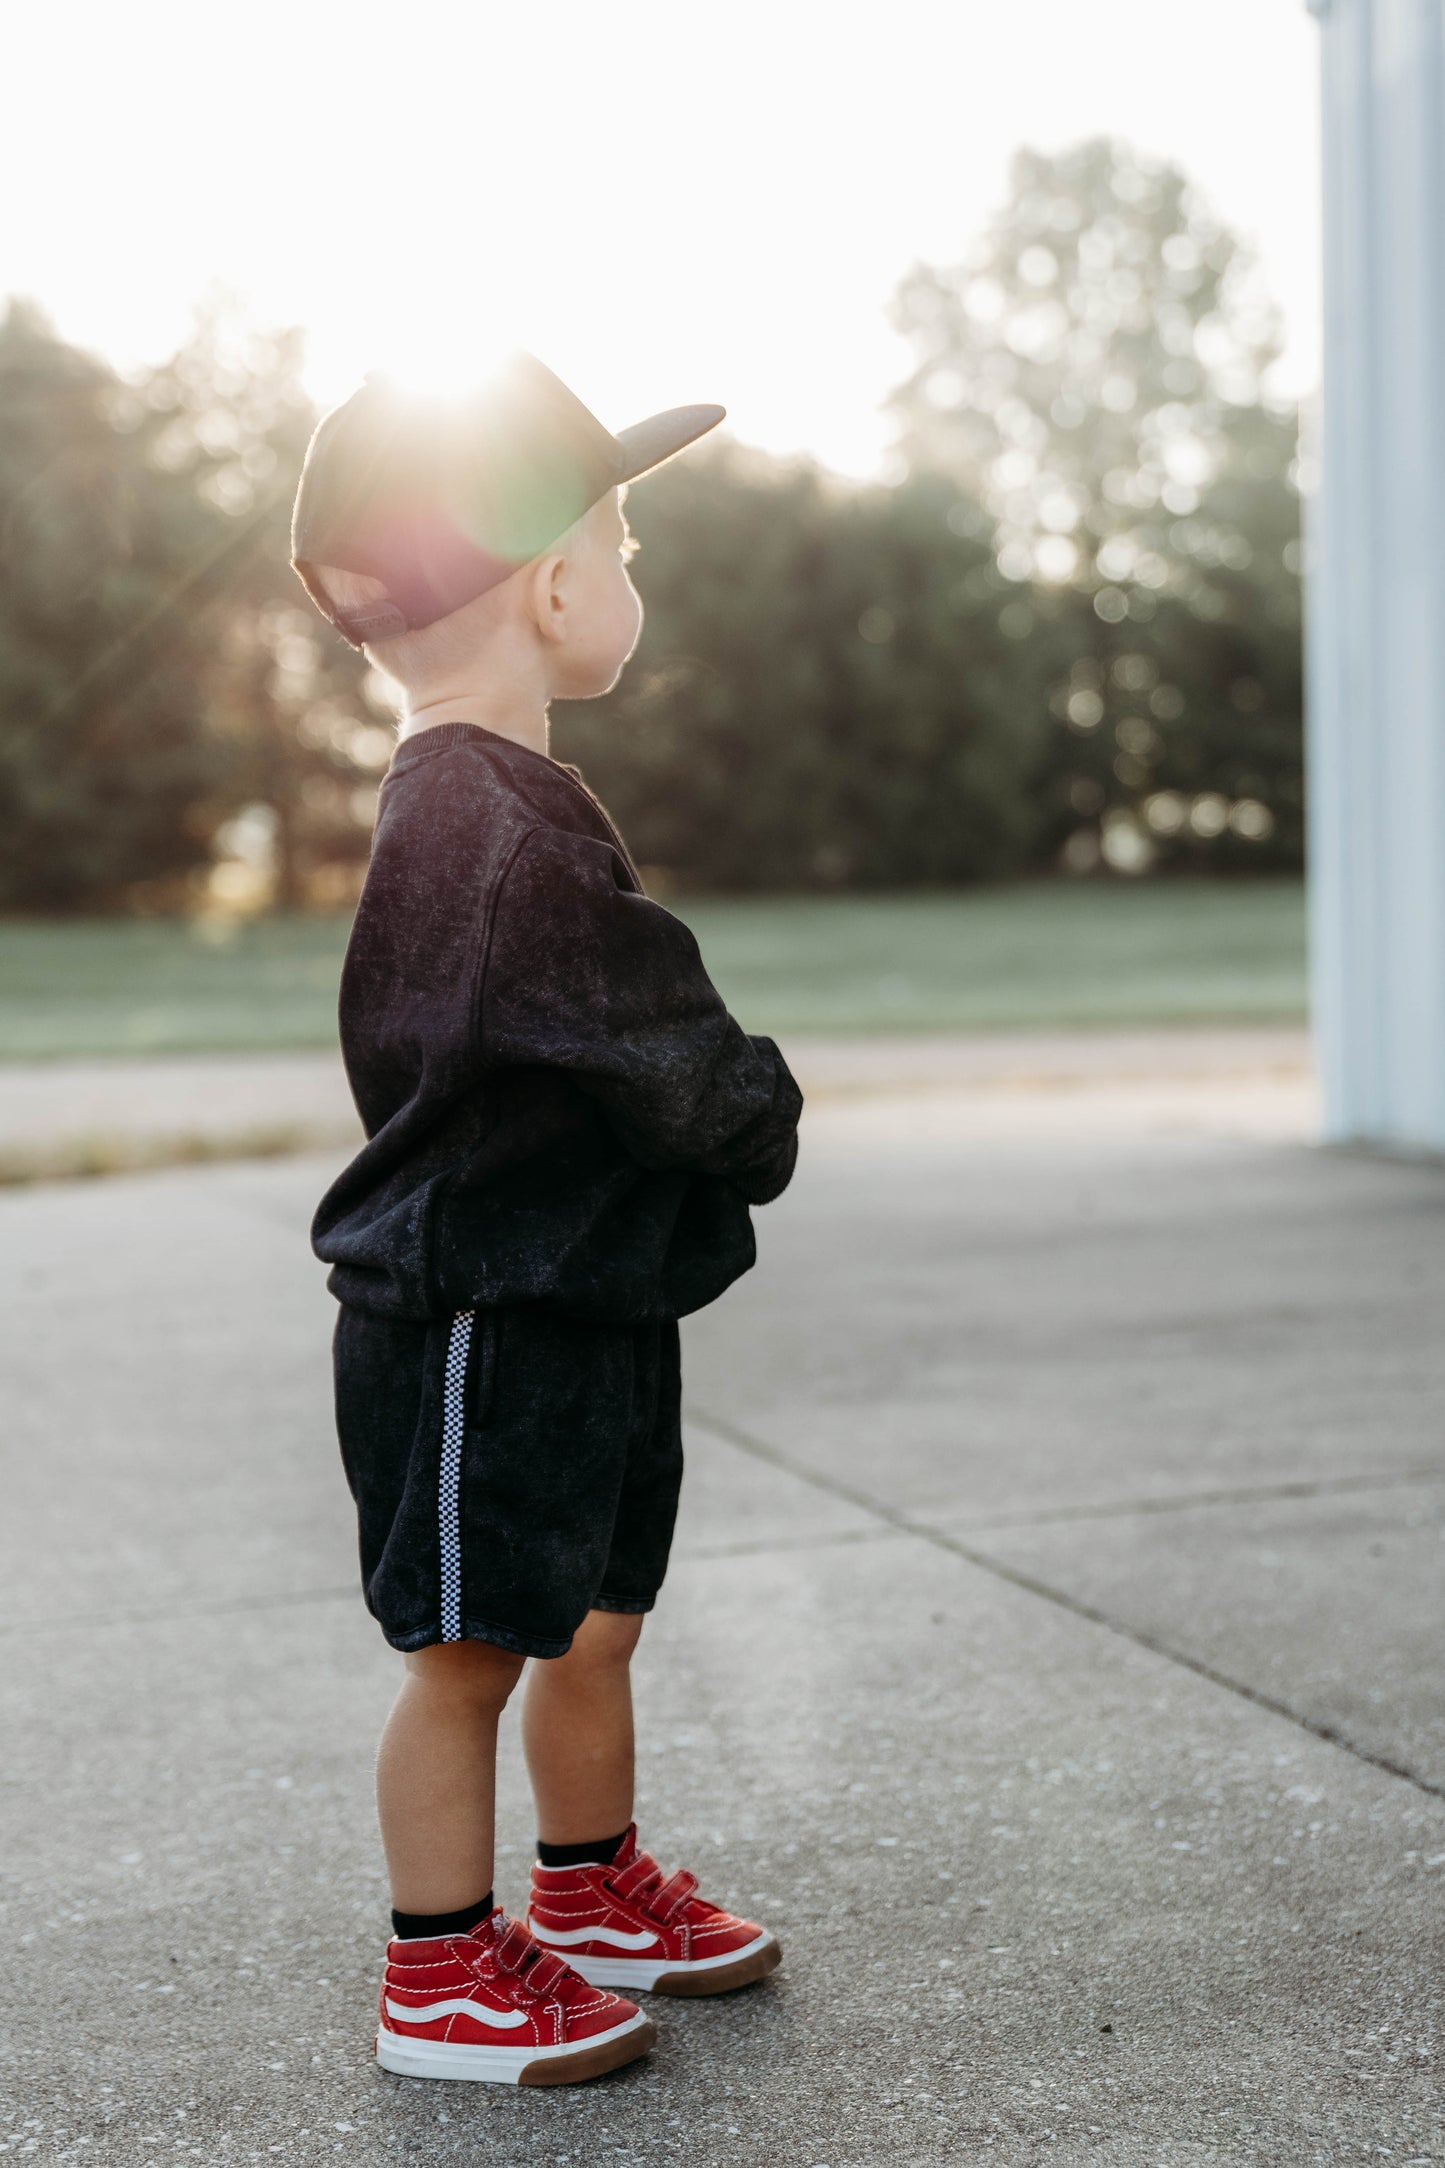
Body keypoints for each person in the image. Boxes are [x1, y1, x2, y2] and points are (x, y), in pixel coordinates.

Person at [290, 355, 803, 2087]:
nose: (631, 580)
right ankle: (438, 1972)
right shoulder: (487, 825)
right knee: (464, 1652)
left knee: (592, 1616)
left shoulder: (488, 804)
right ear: (562, 585)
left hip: (571, 1299)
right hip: (478, 1321)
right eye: (627, 544)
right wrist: (751, 1117)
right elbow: (649, 1029)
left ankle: (585, 1891)